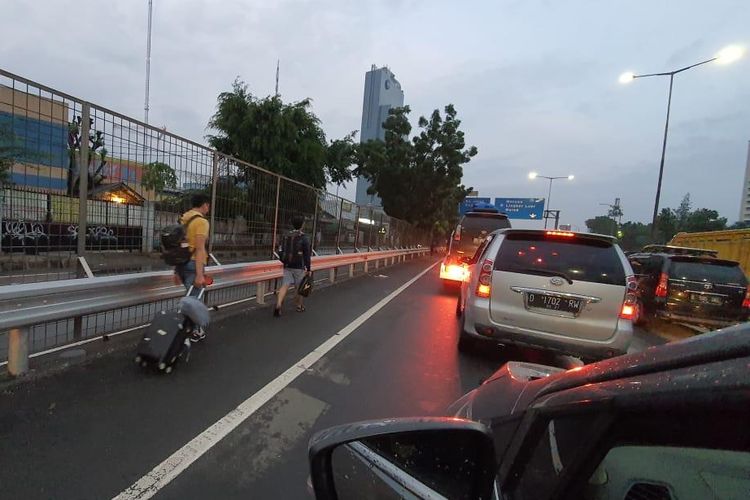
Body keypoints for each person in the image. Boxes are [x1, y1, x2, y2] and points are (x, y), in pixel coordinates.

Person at [174, 193, 211, 342]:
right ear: (203, 205)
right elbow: (200, 248)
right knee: (194, 300)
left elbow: (178, 246)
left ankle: (188, 327)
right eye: (208, 205)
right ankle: (196, 331)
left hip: (182, 263)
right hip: (193, 265)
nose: (208, 207)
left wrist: (176, 270)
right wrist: (200, 274)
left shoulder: (183, 218)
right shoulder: (201, 222)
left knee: (190, 298)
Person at [274, 215, 312, 317]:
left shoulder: (286, 235)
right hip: (298, 266)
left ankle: (278, 305)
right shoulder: (304, 238)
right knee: (299, 287)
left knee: (285, 285)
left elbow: (280, 249)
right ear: (302, 225)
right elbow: (307, 255)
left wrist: (284, 260)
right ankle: (299, 306)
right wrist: (308, 268)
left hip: (287, 264)